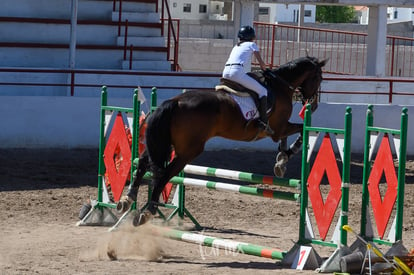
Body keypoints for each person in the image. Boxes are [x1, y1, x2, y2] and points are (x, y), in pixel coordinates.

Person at [222, 25, 273, 135]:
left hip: (225, 72)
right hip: (237, 72)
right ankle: (263, 122)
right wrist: (265, 68)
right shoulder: (252, 44)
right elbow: (261, 63)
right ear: (251, 37)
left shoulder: (236, 46)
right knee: (263, 91)